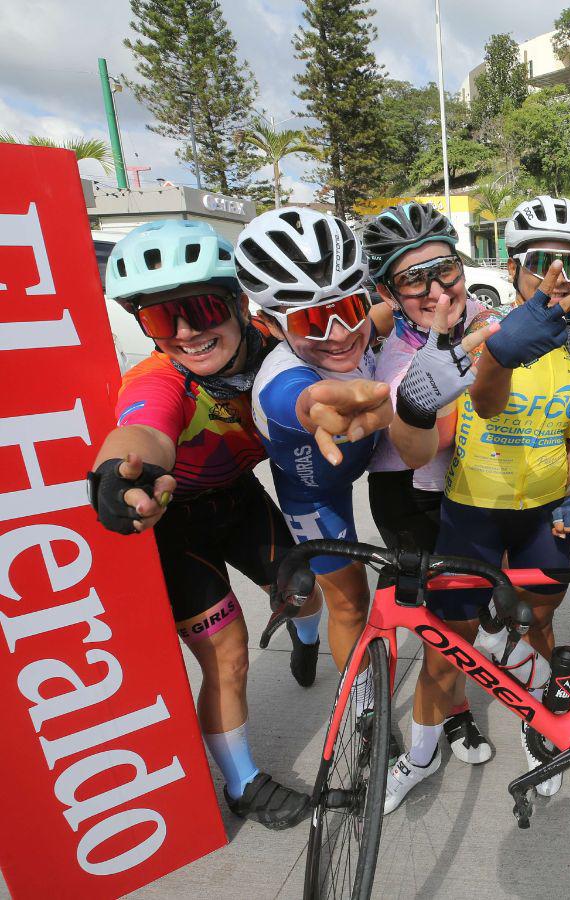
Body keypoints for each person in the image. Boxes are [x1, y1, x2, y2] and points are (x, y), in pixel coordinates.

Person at [87, 220, 310, 829]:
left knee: (303, 593)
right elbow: (141, 431)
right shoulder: (160, 376)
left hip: (239, 498)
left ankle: (306, 642)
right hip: (178, 524)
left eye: (201, 308)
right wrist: (118, 476)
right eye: (161, 321)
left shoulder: (274, 341)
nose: (185, 333)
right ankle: (243, 785)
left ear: (239, 303)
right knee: (227, 656)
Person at [382, 196, 570, 811]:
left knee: (539, 625)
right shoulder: (483, 336)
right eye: (540, 262)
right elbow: (487, 403)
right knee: (447, 649)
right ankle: (420, 757)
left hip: (545, 512)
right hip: (473, 512)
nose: (555, 276)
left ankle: (539, 730)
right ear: (512, 265)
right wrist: (501, 352)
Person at [238, 207, 395, 719]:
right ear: (268, 324)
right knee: (349, 600)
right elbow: (303, 400)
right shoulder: (280, 381)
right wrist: (318, 406)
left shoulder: (359, 325)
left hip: (364, 464)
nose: (337, 333)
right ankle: (358, 703)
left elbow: (387, 314)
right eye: (309, 320)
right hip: (313, 492)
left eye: (348, 307)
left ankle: (305, 626)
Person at [361, 201, 494, 766]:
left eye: (445, 267)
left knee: (460, 618)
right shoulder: (396, 357)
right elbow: (434, 435)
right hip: (409, 496)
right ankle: (450, 721)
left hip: (468, 490)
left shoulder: (482, 311)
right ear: (390, 294)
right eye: (414, 279)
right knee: (444, 625)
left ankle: (451, 706)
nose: (438, 288)